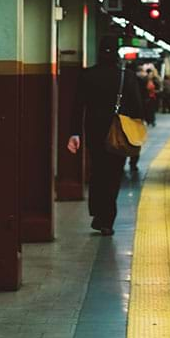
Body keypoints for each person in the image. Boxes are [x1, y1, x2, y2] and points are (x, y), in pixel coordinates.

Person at [67, 36, 144, 235]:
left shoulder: (87, 75)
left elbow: (77, 106)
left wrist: (74, 133)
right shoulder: (126, 77)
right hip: (118, 131)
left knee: (98, 170)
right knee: (114, 173)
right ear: (117, 53)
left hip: (94, 130)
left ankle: (98, 213)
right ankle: (107, 219)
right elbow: (137, 107)